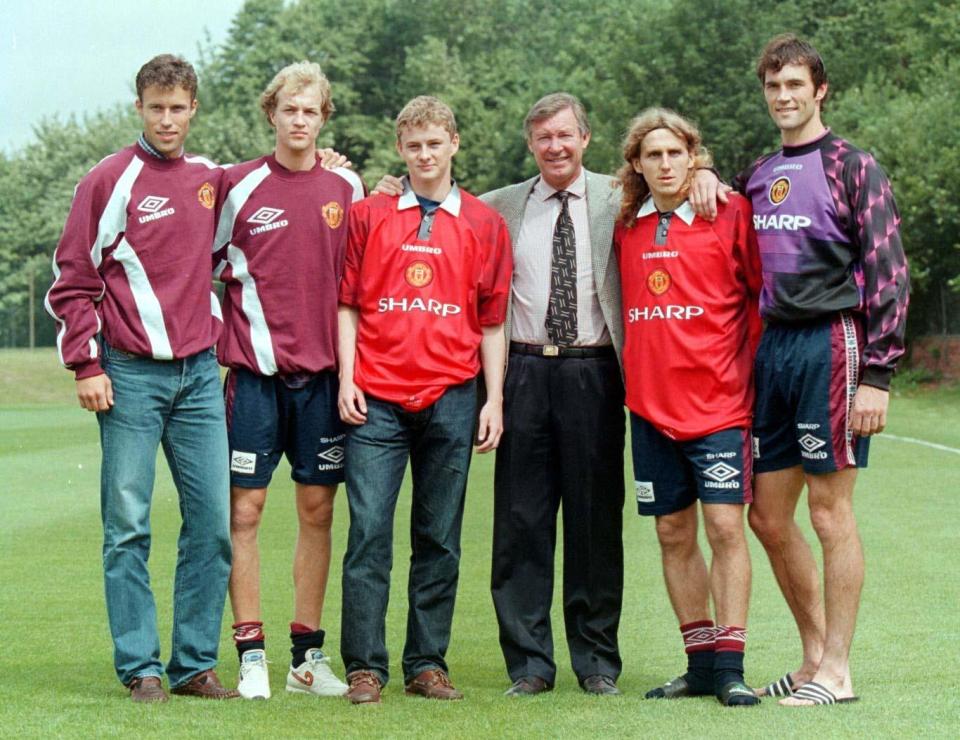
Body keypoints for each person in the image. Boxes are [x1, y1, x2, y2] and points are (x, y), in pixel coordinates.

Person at [372, 93, 723, 696]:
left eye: (565, 135)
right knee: (520, 521)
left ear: (585, 138)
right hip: (522, 371)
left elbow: (678, 182)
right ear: (530, 144)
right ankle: (530, 663)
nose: (555, 147)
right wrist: (383, 186)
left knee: (594, 520)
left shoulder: (622, 198)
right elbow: (430, 201)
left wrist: (707, 174)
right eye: (542, 138)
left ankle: (595, 661)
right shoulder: (498, 207)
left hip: (595, 372)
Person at [45, 54, 237, 702]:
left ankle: (192, 665)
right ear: (139, 108)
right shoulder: (108, 180)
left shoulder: (213, 180)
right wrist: (86, 363)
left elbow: (272, 206)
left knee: (212, 524)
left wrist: (334, 170)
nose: (167, 119)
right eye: (156, 107)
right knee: (127, 525)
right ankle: (141, 667)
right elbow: (74, 279)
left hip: (200, 379)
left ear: (193, 109)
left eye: (178, 107)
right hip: (127, 376)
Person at [731, 34, 909, 706]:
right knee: (768, 517)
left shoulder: (852, 166)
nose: (783, 97)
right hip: (774, 349)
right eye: (773, 87)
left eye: (795, 86)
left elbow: (890, 272)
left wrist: (879, 374)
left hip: (833, 345)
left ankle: (839, 669)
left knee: (831, 513)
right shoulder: (758, 172)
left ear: (820, 89)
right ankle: (810, 657)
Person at [337, 96, 513, 704]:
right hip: (377, 399)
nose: (425, 154)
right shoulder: (370, 215)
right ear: (400, 150)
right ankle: (364, 667)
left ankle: (427, 663)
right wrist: (346, 378)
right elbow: (349, 305)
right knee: (368, 532)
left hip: (453, 395)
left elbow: (492, 321)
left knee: (439, 537)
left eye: (435, 143)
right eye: (414, 146)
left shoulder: (486, 224)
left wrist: (494, 399)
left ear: (454, 145)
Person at [213, 61, 365, 700]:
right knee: (244, 511)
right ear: (271, 114)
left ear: (322, 118)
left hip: (324, 381)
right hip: (253, 378)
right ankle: (251, 653)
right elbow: (197, 265)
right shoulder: (235, 186)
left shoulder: (346, 188)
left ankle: (307, 657)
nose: (299, 121)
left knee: (317, 510)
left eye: (311, 112)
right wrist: (222, 335)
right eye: (289, 110)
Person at [614, 108, 762, 707]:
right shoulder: (625, 224)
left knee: (725, 526)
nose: (666, 164)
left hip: (721, 406)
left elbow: (760, 294)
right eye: (653, 155)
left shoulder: (728, 212)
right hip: (649, 410)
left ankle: (731, 665)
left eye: (676, 153)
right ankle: (699, 664)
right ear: (637, 165)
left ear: (693, 156)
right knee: (674, 533)